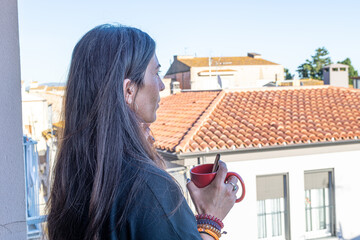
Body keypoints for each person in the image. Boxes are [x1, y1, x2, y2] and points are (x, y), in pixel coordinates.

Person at [47, 24, 239, 240]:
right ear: (129, 90)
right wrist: (210, 220)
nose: (162, 86)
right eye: (156, 73)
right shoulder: (148, 189)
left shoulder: (76, 176)